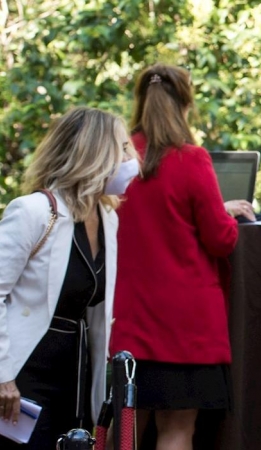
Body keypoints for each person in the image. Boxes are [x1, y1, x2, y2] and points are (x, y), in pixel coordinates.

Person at [109, 63, 247, 450]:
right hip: (187, 326)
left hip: (129, 318)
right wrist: (227, 214)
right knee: (176, 431)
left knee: (125, 430)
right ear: (186, 105)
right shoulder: (191, 159)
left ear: (139, 102)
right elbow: (220, 239)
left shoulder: (118, 161)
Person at [0, 107, 138, 449]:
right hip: (24, 373)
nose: (130, 158)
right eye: (121, 149)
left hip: (77, 373)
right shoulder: (34, 211)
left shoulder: (107, 217)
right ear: (94, 154)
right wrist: (2, 376)